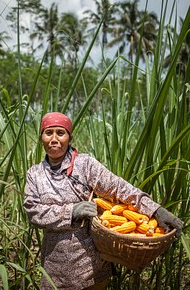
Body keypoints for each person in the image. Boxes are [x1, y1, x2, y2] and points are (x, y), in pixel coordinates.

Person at [24, 112, 183, 290]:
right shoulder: (35, 174)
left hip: (90, 263)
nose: (54, 139)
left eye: (60, 133)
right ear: (41, 138)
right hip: (55, 263)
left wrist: (155, 210)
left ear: (69, 137)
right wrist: (72, 211)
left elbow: (119, 188)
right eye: (48, 133)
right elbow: (33, 212)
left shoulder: (85, 165)